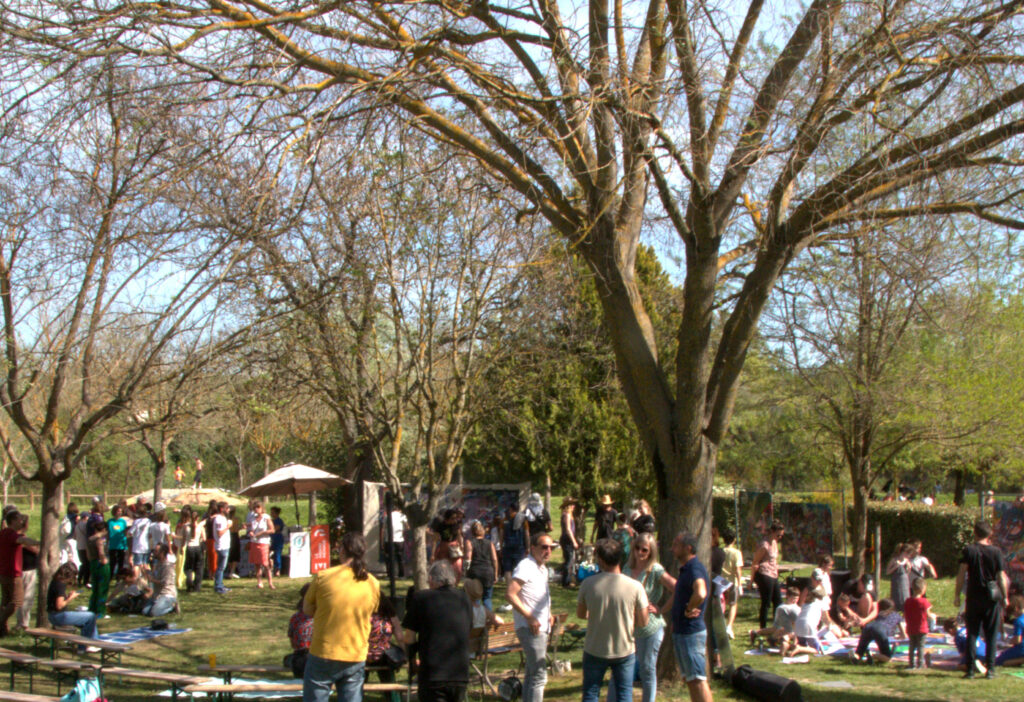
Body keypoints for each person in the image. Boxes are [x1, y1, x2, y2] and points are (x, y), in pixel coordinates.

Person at [303, 532, 380, 702]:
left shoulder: (324, 576)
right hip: (355, 652)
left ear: (342, 550)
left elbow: (307, 609)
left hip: (324, 650)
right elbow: (371, 611)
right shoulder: (373, 583)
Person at [577, 538, 649, 702]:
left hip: (595, 647)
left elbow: (581, 614)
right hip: (624, 648)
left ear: (600, 560)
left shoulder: (588, 584)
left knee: (590, 693)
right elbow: (644, 621)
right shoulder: (635, 586)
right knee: (624, 695)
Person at [612, 533, 673, 702]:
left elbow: (677, 588)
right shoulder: (626, 568)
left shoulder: (655, 570)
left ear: (651, 551)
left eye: (644, 550)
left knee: (647, 668)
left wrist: (661, 609)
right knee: (621, 666)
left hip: (651, 627)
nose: (640, 552)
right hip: (629, 627)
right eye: (637, 548)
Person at [402, 560, 472, 702]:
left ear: (432, 579)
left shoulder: (421, 598)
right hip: (459, 673)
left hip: (433, 672)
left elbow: (409, 637)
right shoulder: (464, 598)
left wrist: (411, 659)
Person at [955, 519, 1009, 678]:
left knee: (972, 633)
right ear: (990, 534)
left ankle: (970, 669)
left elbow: (961, 574)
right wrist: (1004, 597)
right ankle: (990, 669)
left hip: (973, 596)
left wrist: (957, 595)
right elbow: (1001, 576)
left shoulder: (969, 550)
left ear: (975, 533)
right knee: (991, 634)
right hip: (991, 597)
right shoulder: (996, 552)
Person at [506, 532, 555, 702]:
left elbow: (537, 595)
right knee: (540, 676)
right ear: (532, 548)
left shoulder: (541, 568)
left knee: (531, 673)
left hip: (540, 626)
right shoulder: (526, 566)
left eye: (551, 547)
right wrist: (530, 617)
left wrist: (549, 614)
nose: (548, 551)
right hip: (531, 628)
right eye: (544, 547)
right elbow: (510, 594)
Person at [670, 532, 711, 702]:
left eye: (676, 545)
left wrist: (689, 608)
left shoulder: (694, 568)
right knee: (690, 679)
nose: (672, 548)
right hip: (682, 631)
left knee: (698, 679)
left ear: (688, 548)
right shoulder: (686, 569)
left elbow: (701, 592)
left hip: (691, 633)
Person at [0, 511, 38, 636]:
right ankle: (1, 622)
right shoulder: (11, 534)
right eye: (18, 520)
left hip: (4, 572)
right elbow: (23, 540)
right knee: (17, 601)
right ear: (12, 521)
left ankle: (3, 630)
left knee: (6, 601)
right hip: (13, 573)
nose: (21, 522)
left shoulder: (4, 532)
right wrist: (39, 541)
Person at [47, 563, 100, 651]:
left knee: (86, 620)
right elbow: (59, 606)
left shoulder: (55, 582)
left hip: (53, 615)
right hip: (59, 616)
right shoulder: (60, 585)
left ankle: (83, 648)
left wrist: (67, 597)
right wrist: (71, 598)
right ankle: (92, 643)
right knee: (91, 616)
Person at [751, 521, 784, 630]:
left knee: (778, 601)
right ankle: (763, 628)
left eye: (781, 535)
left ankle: (776, 627)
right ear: (772, 532)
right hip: (765, 574)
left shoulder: (774, 543)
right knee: (766, 602)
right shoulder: (764, 545)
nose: (779, 537)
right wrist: (751, 580)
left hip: (774, 574)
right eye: (778, 535)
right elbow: (755, 562)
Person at [852, 598, 904, 664]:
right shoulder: (896, 615)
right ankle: (872, 655)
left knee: (860, 650)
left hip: (869, 626)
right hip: (880, 629)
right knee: (887, 657)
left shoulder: (879, 614)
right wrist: (901, 636)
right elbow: (903, 632)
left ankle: (855, 656)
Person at [464, 521, 498, 611]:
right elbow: (494, 559)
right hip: (488, 572)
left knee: (475, 597)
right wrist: (496, 573)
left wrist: (465, 571)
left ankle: (477, 619)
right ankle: (489, 619)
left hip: (475, 572)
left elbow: (468, 558)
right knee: (487, 598)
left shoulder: (469, 542)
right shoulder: (489, 543)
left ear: (472, 532)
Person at [142, 543, 178, 616]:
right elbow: (153, 577)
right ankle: (160, 605)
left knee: (154, 613)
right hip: (157, 595)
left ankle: (172, 606)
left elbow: (165, 582)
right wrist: (146, 573)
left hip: (167, 594)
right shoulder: (157, 564)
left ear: (162, 553)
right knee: (145, 612)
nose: (154, 553)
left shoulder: (168, 567)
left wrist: (152, 580)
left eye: (156, 551)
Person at [903, 577, 932, 669]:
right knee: (920, 646)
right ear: (923, 590)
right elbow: (928, 614)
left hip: (911, 628)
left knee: (912, 646)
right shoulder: (924, 602)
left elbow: (905, 613)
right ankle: (920, 663)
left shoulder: (908, 601)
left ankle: (911, 664)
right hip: (922, 628)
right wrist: (933, 616)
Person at [719, 529, 743, 639]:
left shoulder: (720, 551)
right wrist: (740, 584)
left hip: (721, 580)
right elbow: (738, 569)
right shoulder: (736, 553)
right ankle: (729, 626)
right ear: (734, 540)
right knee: (733, 604)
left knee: (722, 603)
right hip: (732, 581)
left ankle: (722, 624)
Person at [247, 500, 276, 589]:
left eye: (258, 507)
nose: (256, 509)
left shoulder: (266, 517)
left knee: (265, 563)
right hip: (254, 542)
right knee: (256, 563)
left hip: (263, 542)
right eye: (255, 508)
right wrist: (251, 532)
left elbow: (272, 530)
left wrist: (262, 533)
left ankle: (270, 582)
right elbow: (251, 529)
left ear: (262, 508)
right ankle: (259, 582)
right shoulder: (253, 518)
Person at [288, 583, 314, 678]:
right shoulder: (319, 618)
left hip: (298, 659)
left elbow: (293, 643)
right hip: (314, 658)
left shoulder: (295, 618)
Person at [86, 517, 110, 618]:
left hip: (92, 563)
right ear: (104, 530)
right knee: (102, 588)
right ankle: (100, 611)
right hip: (101, 565)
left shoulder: (90, 539)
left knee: (95, 589)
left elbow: (87, 554)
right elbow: (101, 552)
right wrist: (104, 560)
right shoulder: (100, 540)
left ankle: (92, 608)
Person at [501, 504, 527, 582]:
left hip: (507, 546)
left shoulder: (505, 520)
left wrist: (501, 545)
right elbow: (527, 534)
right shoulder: (523, 520)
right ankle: (518, 585)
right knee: (519, 567)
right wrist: (527, 546)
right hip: (519, 546)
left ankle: (509, 585)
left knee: (507, 568)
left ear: (511, 509)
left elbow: (501, 534)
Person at [996, 595, 1024, 666]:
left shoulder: (1018, 621)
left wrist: (1008, 641)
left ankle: (1020, 660)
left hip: (1021, 649)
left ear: (1016, 609)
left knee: (999, 661)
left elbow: (1017, 640)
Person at [886, 542, 913, 611]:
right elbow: (887, 572)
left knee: (905, 598)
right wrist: (895, 566)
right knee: (897, 597)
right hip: (897, 582)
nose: (909, 556)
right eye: (908, 554)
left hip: (905, 583)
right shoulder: (894, 560)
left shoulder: (907, 561)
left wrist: (908, 568)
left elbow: (907, 573)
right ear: (904, 552)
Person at [559, 498, 579, 588]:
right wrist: (574, 541)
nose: (573, 506)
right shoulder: (566, 515)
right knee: (569, 561)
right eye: (572, 505)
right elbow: (568, 529)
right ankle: (566, 582)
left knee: (569, 560)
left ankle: (568, 579)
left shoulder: (568, 515)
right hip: (567, 540)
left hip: (567, 540)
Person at [212, 502, 231, 594]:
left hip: (224, 545)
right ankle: (218, 586)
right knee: (221, 567)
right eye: (227, 508)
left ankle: (220, 584)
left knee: (222, 567)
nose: (229, 510)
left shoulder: (222, 518)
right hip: (221, 546)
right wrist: (228, 527)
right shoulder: (219, 519)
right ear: (221, 509)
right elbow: (219, 533)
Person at [129, 505, 152, 576]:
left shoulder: (136, 522)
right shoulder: (149, 521)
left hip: (137, 546)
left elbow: (130, 533)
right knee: (146, 564)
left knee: (137, 564)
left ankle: (136, 579)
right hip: (146, 545)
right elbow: (150, 534)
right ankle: (147, 579)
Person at [107, 505, 128, 578]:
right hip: (112, 544)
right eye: (118, 511)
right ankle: (110, 575)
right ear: (115, 512)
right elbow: (108, 532)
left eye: (121, 511)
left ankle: (119, 576)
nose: (120, 512)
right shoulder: (110, 521)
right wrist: (107, 542)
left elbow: (125, 532)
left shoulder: (123, 521)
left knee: (121, 562)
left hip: (121, 544)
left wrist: (126, 544)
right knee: (112, 561)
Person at [270, 507, 287, 577]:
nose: (271, 514)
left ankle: (278, 570)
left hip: (278, 539)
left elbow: (275, 528)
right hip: (271, 538)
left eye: (272, 512)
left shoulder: (279, 521)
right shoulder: (271, 520)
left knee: (277, 554)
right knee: (269, 554)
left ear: (276, 513)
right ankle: (270, 568)